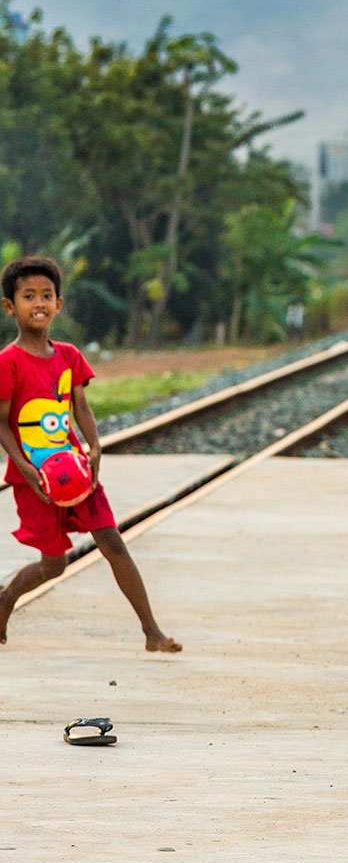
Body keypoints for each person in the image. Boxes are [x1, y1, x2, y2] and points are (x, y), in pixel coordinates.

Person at [0, 255, 181, 652]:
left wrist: (94, 446)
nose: (40, 303)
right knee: (54, 565)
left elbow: (79, 406)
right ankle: (6, 598)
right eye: (28, 296)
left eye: (47, 295)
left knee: (113, 543)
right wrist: (25, 468)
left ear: (59, 304)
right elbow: (1, 422)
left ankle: (151, 632)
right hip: (37, 480)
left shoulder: (68, 356)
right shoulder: (8, 362)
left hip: (78, 474)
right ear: (10, 306)